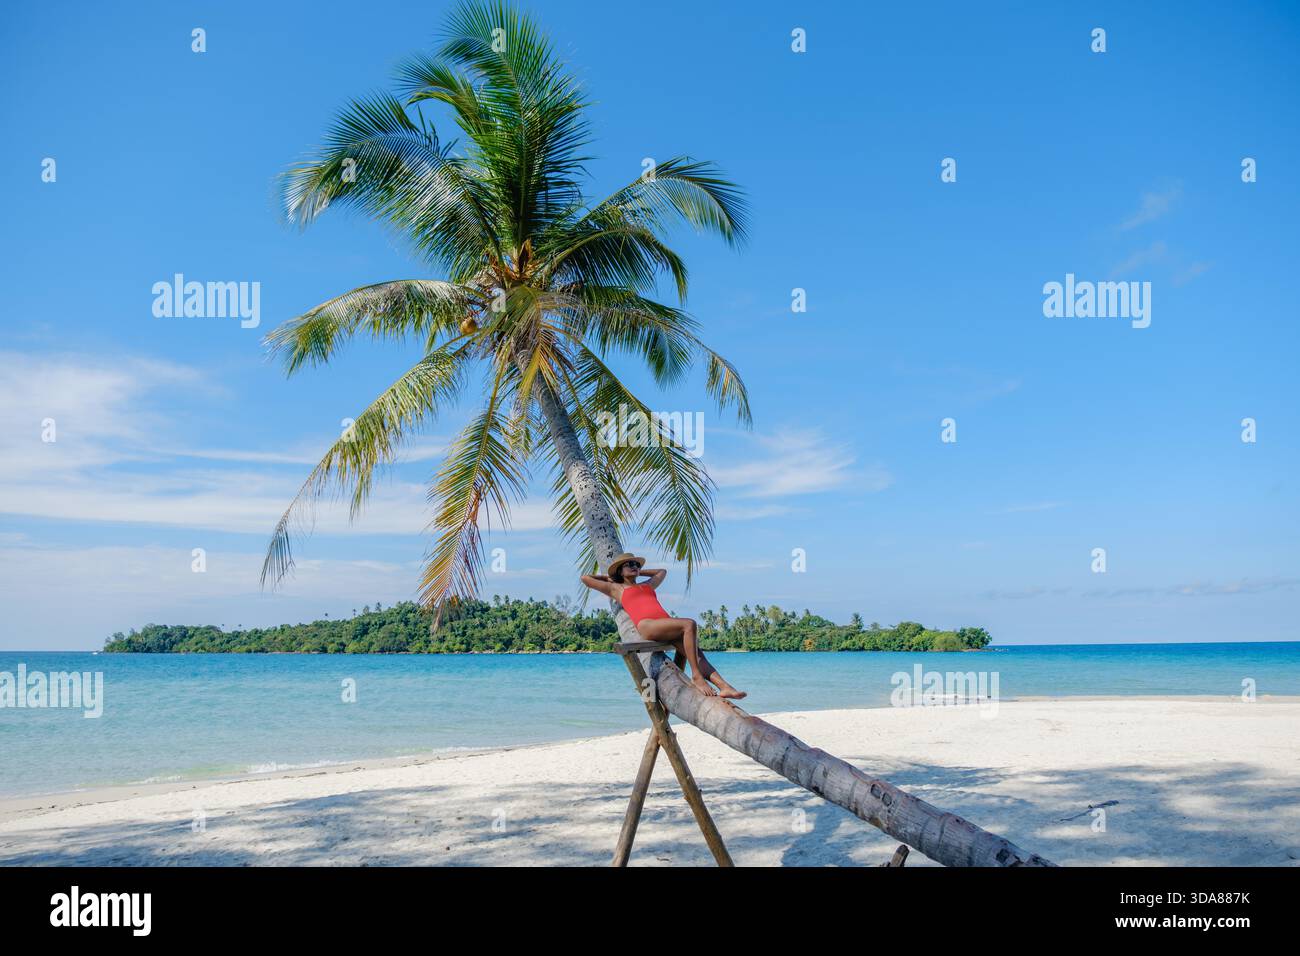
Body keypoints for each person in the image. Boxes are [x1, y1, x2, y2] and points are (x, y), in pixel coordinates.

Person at [582, 553, 746, 699]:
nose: (635, 567)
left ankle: (725, 687)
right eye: (629, 565)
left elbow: (662, 571)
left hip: (665, 625)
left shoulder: (647, 585)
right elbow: (586, 578)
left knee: (698, 655)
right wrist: (611, 577)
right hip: (648, 625)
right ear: (619, 570)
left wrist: (640, 571)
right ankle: (696, 676)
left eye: (637, 565)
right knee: (689, 624)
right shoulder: (617, 589)